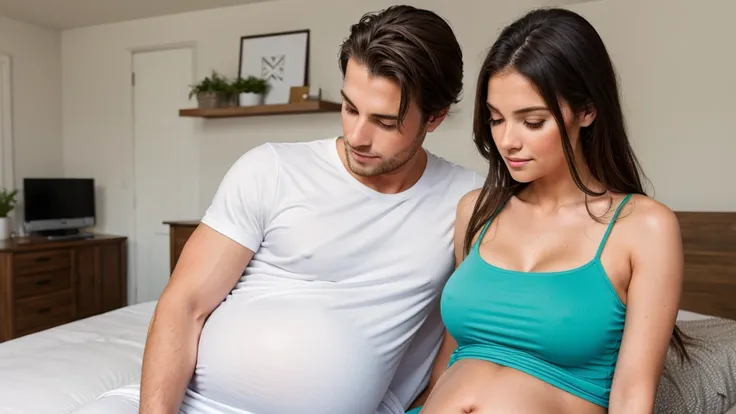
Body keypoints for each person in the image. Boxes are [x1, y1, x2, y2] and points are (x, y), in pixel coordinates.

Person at [72, 5, 483, 414]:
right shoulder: (271, 168)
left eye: (385, 121)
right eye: (350, 108)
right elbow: (185, 303)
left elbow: (471, 328)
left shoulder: (466, 201)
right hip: (188, 404)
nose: (357, 135)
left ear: (435, 117)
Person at [405, 7, 687, 414]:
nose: (507, 141)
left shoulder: (644, 228)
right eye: (496, 119)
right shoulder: (476, 211)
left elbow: (631, 397)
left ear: (587, 111)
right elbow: (454, 354)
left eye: (532, 121)